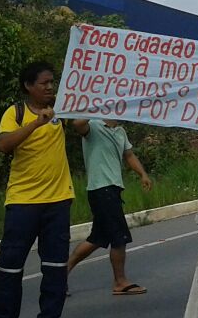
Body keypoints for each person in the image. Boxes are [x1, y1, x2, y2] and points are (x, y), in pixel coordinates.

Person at [0, 62, 73, 318]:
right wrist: (36, 123)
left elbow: (84, 124)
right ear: (28, 86)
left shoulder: (63, 110)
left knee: (55, 266)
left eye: (52, 82)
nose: (50, 88)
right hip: (23, 202)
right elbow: (4, 145)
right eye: (44, 83)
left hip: (58, 201)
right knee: (10, 265)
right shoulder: (16, 113)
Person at [65, 118, 153, 296]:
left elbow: (129, 155)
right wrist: (96, 107)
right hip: (100, 188)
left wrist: (142, 174)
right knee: (119, 237)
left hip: (112, 189)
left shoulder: (120, 131)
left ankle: (58, 276)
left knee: (97, 239)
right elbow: (77, 125)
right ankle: (120, 282)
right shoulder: (94, 126)